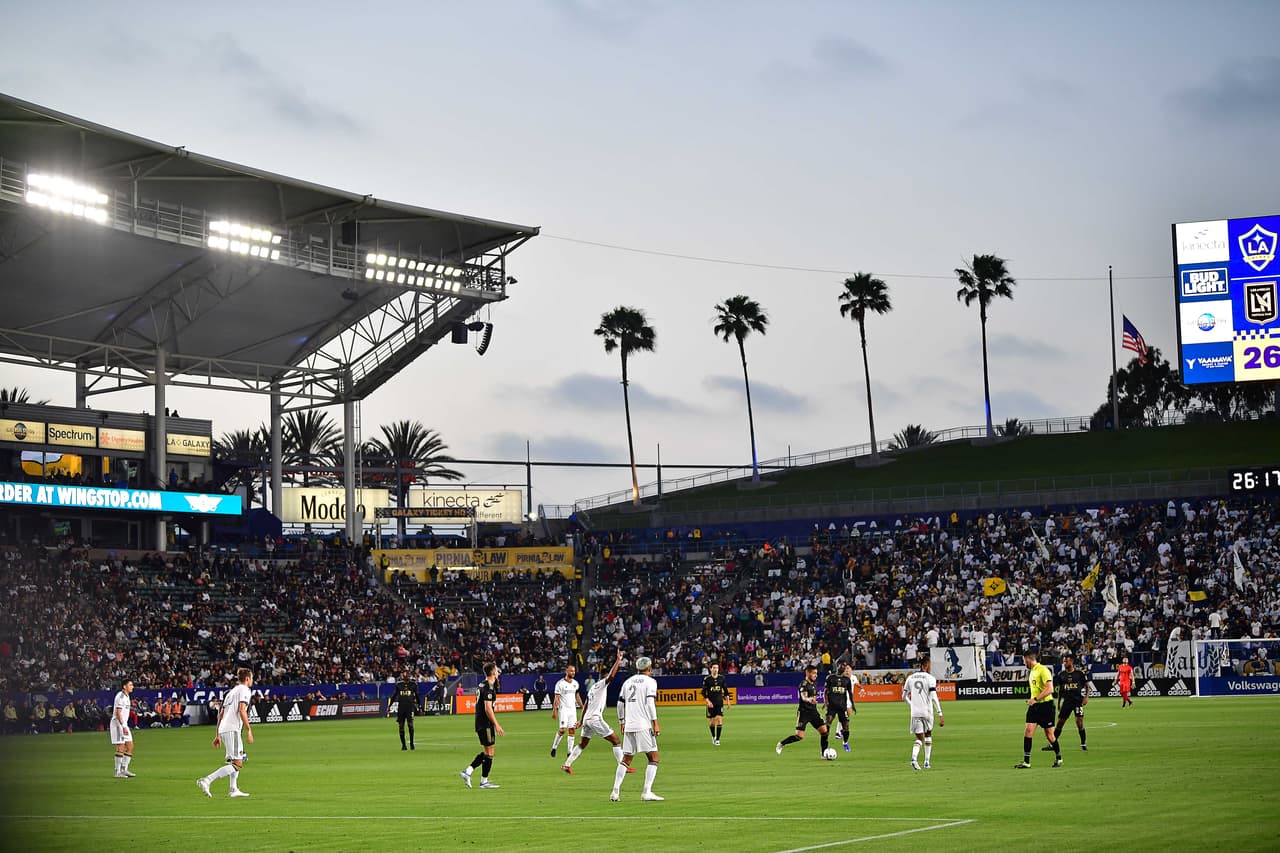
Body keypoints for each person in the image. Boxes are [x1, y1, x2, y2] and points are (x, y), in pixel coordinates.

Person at [563, 648, 626, 774]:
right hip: (595, 719)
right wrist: (618, 661)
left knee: (583, 744)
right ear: (604, 676)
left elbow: (586, 704)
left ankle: (567, 764)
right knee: (616, 741)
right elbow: (611, 676)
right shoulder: (602, 683)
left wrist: (581, 721)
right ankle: (623, 766)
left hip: (587, 719)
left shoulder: (593, 688)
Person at [611, 655, 662, 802]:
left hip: (629, 726)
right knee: (654, 758)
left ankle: (615, 791)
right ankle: (647, 792)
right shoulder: (651, 682)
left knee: (626, 759)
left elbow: (620, 704)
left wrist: (622, 722)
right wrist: (655, 722)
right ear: (650, 668)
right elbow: (650, 703)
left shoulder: (628, 682)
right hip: (643, 725)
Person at [197, 668, 255, 797]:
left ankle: (233, 789)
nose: (252, 681)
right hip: (232, 729)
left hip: (225, 729)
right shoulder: (245, 690)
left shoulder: (231, 692)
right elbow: (242, 710)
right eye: (251, 678)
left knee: (236, 759)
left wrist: (217, 734)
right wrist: (249, 730)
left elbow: (221, 714)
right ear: (247, 679)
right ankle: (207, 780)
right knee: (238, 763)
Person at [1014, 650, 1061, 768]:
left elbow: (1050, 689)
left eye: (1024, 660)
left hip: (1046, 706)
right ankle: (1026, 762)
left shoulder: (1043, 670)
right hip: (1034, 707)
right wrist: (1033, 701)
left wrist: (1035, 698)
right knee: (1028, 731)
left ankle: (1059, 757)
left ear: (1029, 659)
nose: (1024, 662)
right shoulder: (1033, 671)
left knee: (1049, 735)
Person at [460, 662, 504, 789]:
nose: (498, 672)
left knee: (487, 751)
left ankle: (468, 772)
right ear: (493, 672)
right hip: (485, 723)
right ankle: (483, 781)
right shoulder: (488, 687)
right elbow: (488, 708)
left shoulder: (482, 684)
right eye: (496, 670)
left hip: (480, 722)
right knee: (490, 752)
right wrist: (497, 724)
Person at [776, 664, 830, 758]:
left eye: (816, 673)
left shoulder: (815, 683)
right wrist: (809, 699)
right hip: (804, 713)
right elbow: (803, 697)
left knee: (824, 732)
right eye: (814, 673)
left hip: (814, 712)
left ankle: (823, 754)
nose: (816, 675)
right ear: (808, 673)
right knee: (799, 736)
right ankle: (781, 743)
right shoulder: (803, 684)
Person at [902, 657, 944, 770]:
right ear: (926, 665)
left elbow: (903, 697)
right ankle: (926, 762)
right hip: (927, 712)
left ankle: (914, 759)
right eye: (930, 664)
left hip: (915, 713)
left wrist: (912, 705)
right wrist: (940, 713)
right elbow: (934, 697)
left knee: (919, 738)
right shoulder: (930, 678)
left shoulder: (910, 678)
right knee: (928, 734)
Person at [1046, 654, 1089, 751]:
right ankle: (1053, 744)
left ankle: (1083, 743)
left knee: (1079, 723)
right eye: (1064, 661)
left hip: (1078, 702)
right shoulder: (1062, 674)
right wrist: (1059, 703)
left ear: (1072, 661)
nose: (1065, 663)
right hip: (1067, 702)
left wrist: (1086, 697)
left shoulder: (1079, 673)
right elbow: (1060, 690)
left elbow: (1087, 686)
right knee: (1060, 723)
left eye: (1067, 661)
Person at [825, 661, 858, 753]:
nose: (843, 667)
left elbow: (850, 693)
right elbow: (826, 691)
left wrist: (853, 705)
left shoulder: (847, 680)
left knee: (846, 728)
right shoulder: (830, 677)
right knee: (827, 724)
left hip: (842, 707)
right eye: (842, 665)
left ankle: (845, 742)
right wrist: (826, 702)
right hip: (831, 706)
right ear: (837, 666)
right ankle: (825, 744)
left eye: (845, 666)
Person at [550, 664, 582, 758]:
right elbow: (556, 698)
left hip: (572, 710)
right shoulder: (560, 684)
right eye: (571, 671)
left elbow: (577, 696)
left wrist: (583, 707)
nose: (573, 672)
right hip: (563, 709)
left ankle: (569, 752)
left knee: (572, 730)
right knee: (563, 730)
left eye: (574, 671)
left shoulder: (575, 683)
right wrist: (554, 710)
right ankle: (554, 747)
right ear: (566, 671)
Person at [110, 679, 136, 778]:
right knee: (121, 746)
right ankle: (117, 772)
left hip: (124, 724)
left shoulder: (127, 696)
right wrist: (123, 726)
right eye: (130, 685)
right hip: (118, 724)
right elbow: (118, 713)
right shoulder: (120, 697)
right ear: (124, 686)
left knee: (130, 746)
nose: (132, 686)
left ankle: (124, 769)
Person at [391, 670, 419, 750]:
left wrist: (419, 706)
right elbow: (394, 695)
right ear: (403, 676)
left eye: (408, 675)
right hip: (401, 709)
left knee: (410, 725)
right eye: (405, 675)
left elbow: (416, 695)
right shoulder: (399, 685)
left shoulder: (413, 684)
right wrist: (389, 705)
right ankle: (403, 745)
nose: (406, 676)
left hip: (410, 708)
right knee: (401, 727)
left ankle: (412, 743)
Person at [702, 662, 727, 746]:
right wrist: (708, 701)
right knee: (712, 722)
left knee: (719, 720)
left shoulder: (722, 678)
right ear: (711, 669)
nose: (715, 669)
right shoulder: (707, 679)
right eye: (714, 668)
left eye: (717, 668)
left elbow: (725, 690)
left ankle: (718, 739)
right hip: (711, 703)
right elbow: (703, 692)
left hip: (719, 702)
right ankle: (713, 736)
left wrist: (728, 702)